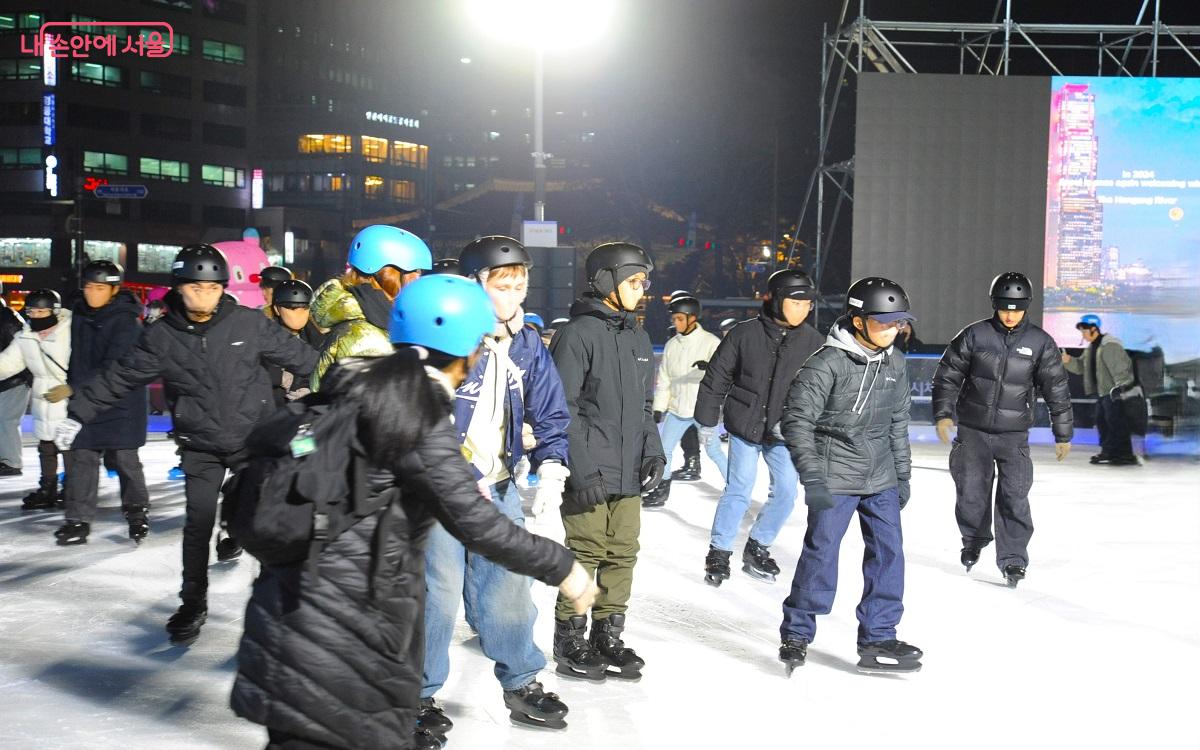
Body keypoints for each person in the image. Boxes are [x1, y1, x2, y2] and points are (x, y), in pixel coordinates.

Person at [229, 273, 597, 750]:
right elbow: (478, 523)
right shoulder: (414, 413)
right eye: (480, 343)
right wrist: (564, 567)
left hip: (290, 616)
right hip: (347, 638)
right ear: (464, 345)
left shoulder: (360, 381)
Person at [54, 245, 320, 645]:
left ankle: (277, 602)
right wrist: (77, 413)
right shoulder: (160, 338)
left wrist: (353, 379)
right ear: (179, 288)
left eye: (212, 288)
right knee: (197, 525)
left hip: (252, 441)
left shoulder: (248, 325)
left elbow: (308, 360)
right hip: (201, 445)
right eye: (195, 287)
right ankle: (192, 601)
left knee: (267, 522)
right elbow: (119, 377)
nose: (204, 296)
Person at [420, 236, 574, 740]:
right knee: (435, 595)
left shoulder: (527, 343)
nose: (513, 295)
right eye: (502, 286)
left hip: (500, 487)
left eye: (520, 285)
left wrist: (551, 470)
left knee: (510, 590)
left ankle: (522, 682)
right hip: (440, 493)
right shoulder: (445, 338)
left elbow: (550, 410)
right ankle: (415, 695)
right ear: (474, 286)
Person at [778, 276, 922, 674]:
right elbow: (795, 419)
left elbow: (897, 422)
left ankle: (878, 636)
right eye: (885, 321)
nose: (894, 329)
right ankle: (798, 632)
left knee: (889, 554)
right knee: (821, 553)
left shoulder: (895, 361)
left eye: (899, 322)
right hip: (834, 474)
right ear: (859, 321)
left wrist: (903, 476)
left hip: (881, 477)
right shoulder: (827, 362)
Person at [549, 241, 665, 682]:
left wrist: (652, 448)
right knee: (585, 552)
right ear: (607, 281)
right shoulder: (578, 334)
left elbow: (643, 405)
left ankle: (607, 633)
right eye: (635, 281)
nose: (643, 289)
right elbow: (563, 407)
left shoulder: (635, 335)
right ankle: (570, 636)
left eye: (644, 282)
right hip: (590, 471)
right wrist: (579, 469)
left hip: (628, 469)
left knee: (623, 552)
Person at [933, 272, 1074, 586]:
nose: (1010, 315)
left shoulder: (1040, 343)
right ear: (995, 305)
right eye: (1005, 308)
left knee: (1014, 496)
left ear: (1026, 307)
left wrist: (1062, 432)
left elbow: (1057, 390)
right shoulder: (974, 335)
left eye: (1017, 309)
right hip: (972, 431)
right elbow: (947, 377)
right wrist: (943, 414)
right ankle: (974, 537)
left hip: (1013, 436)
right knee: (971, 491)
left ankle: (1013, 559)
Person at [694, 269, 823, 586]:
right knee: (739, 490)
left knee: (786, 492)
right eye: (796, 302)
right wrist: (707, 421)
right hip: (745, 427)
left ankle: (758, 546)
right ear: (777, 300)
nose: (803, 309)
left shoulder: (814, 342)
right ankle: (719, 552)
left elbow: (822, 392)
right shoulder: (744, 334)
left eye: (808, 304)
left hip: (784, 433)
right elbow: (716, 379)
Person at [45, 261, 150, 545]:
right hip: (87, 400)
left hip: (122, 401)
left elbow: (113, 367)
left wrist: (72, 387)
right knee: (82, 457)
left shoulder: (127, 321)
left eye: (100, 288)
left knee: (126, 460)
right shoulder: (78, 313)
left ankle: (137, 512)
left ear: (114, 290)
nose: (92, 293)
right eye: (89, 286)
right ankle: (77, 519)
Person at [311, 225, 432, 390]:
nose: (419, 279)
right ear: (390, 274)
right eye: (416, 271)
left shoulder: (374, 319)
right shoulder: (365, 338)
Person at [644, 293, 725, 509]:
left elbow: (727, 373)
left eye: (680, 318)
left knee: (714, 451)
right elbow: (665, 379)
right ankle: (661, 490)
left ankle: (736, 489)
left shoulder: (710, 342)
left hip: (702, 409)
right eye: (674, 319)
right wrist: (660, 408)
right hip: (678, 409)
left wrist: (710, 368)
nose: (676, 322)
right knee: (664, 450)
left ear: (692, 318)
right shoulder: (672, 345)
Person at [0, 290, 71, 510]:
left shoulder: (72, 331)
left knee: (71, 448)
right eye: (32, 311)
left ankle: (72, 489)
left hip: (71, 396)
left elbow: (88, 362)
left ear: (55, 311)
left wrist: (72, 387)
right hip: (44, 397)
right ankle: (47, 488)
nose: (37, 316)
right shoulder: (26, 336)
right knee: (46, 446)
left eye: (42, 311)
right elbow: (8, 363)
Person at [1062, 314, 1138, 466]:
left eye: (1084, 331)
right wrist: (1068, 361)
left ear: (1094, 329)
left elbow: (1121, 369)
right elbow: (1080, 367)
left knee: (1115, 422)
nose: (1083, 334)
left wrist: (1120, 388)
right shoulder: (1092, 348)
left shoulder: (1109, 345)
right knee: (1103, 421)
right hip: (1103, 393)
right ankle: (1109, 452)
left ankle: (1124, 454)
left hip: (1113, 393)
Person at [264, 279, 325, 405]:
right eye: (292, 308)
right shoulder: (262, 335)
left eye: (304, 308)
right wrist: (278, 377)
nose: (299, 314)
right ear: (277, 309)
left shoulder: (319, 337)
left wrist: (311, 388)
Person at [0, 289, 31, 477]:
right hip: (4, 377)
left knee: (7, 420)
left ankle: (12, 462)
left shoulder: (7, 317)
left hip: (15, 380)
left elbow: (22, 349)